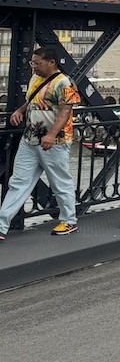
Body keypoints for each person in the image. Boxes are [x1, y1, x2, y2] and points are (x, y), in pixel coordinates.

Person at [0, 48, 82, 239]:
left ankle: (69, 221)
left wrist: (52, 134)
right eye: (32, 63)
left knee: (60, 182)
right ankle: (2, 225)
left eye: (37, 63)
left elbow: (65, 112)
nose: (34, 66)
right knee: (18, 182)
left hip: (55, 141)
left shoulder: (64, 82)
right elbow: (33, 100)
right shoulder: (35, 79)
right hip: (30, 139)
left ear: (51, 62)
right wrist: (20, 110)